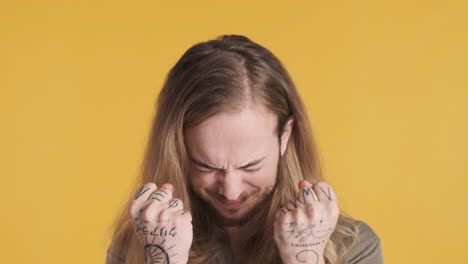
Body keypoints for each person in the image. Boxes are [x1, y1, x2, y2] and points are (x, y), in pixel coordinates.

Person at [105, 34, 383, 264]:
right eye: (206, 166)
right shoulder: (138, 246)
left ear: (284, 137)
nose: (232, 191)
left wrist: (305, 259)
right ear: (177, 149)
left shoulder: (352, 248)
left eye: (251, 166)